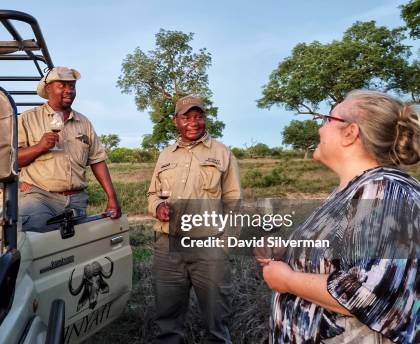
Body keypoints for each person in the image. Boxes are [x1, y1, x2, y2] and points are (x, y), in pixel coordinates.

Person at [258, 90, 419, 343]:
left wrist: (288, 280)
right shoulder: (355, 191)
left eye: (327, 119)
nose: (320, 130)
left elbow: (369, 294)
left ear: (350, 133)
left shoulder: (387, 192)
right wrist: (289, 252)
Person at [147, 95, 242, 343]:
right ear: (175, 121)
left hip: (209, 245)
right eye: (186, 117)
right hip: (168, 245)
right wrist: (157, 207)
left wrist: (226, 243)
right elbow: (153, 193)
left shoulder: (222, 152)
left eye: (198, 116)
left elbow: (233, 199)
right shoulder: (166, 155)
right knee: (167, 318)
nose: (193, 122)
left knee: (216, 319)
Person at [18, 66, 121, 231]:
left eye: (72, 86)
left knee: (72, 251)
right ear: (48, 88)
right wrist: (39, 147)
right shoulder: (27, 119)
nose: (69, 90)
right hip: (40, 197)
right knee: (37, 244)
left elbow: (97, 160)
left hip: (76, 200)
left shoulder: (84, 122)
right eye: (62, 85)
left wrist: (112, 197)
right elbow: (13, 159)